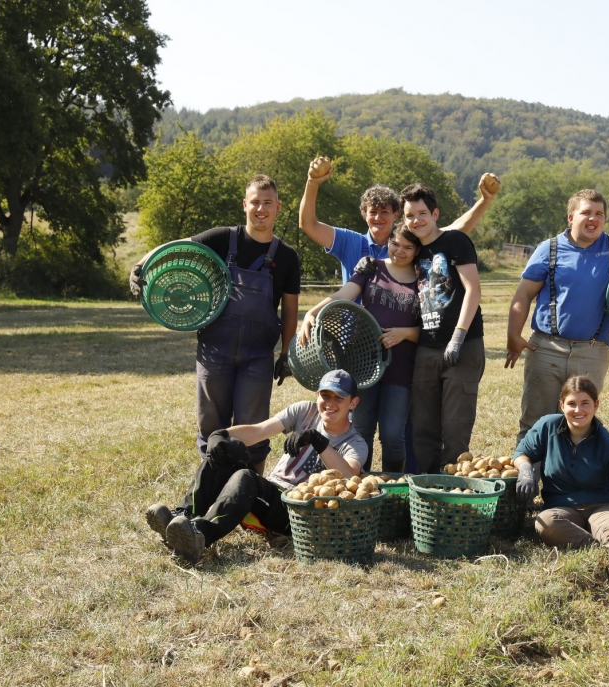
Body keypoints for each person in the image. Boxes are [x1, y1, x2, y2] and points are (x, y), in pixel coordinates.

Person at [129, 174, 301, 467]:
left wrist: (286, 354)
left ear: (278, 207)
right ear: (245, 204)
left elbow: (290, 310)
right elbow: (177, 245)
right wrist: (141, 264)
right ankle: (211, 489)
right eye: (255, 202)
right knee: (211, 425)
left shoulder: (287, 257)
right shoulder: (223, 238)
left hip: (257, 356)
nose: (261, 209)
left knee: (253, 428)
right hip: (214, 351)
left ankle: (252, 492)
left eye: (268, 203)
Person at [145, 369, 368, 564]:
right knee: (225, 451)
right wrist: (221, 435)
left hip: (296, 513)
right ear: (317, 395)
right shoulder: (305, 411)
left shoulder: (355, 442)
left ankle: (199, 535)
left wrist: (318, 441)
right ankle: (181, 517)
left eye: (339, 398)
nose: (329, 403)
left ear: (353, 403)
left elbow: (350, 477)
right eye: (325, 395)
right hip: (267, 494)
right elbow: (258, 431)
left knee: (246, 478)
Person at [505, 189, 609, 443]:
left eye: (599, 214)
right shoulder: (548, 249)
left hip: (593, 351)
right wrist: (513, 336)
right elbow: (523, 296)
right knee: (535, 422)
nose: (593, 219)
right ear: (571, 217)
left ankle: (570, 480)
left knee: (580, 424)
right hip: (546, 348)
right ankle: (527, 477)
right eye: (586, 212)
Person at [513, 376, 609, 587]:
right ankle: (602, 551)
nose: (578, 410)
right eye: (571, 404)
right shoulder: (548, 426)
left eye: (585, 403)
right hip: (561, 507)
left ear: (596, 405)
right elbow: (522, 452)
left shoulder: (606, 440)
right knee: (545, 523)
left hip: (602, 504)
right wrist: (524, 469)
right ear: (562, 405)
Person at [298, 223, 421, 473]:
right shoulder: (373, 268)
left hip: (401, 368)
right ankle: (360, 486)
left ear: (417, 250)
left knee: (393, 434)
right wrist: (313, 311)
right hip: (363, 366)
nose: (400, 250)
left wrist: (405, 333)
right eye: (396, 243)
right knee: (362, 429)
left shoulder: (423, 280)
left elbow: (430, 330)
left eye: (408, 247)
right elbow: (345, 293)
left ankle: (393, 485)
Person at [298, 156, 500, 283]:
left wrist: (485, 200)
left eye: (385, 212)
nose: (378, 217)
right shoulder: (349, 241)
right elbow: (308, 224)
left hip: (396, 340)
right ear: (364, 215)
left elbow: (456, 229)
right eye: (373, 212)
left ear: (396, 215)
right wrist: (312, 183)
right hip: (352, 339)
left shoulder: (410, 242)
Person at [402, 183, 484, 474]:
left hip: (463, 345)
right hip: (427, 347)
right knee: (423, 427)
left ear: (435, 213)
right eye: (410, 215)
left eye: (422, 213)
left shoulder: (455, 242)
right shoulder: (414, 248)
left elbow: (473, 289)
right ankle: (427, 488)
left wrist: (458, 336)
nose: (416, 220)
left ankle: (455, 490)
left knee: (455, 427)